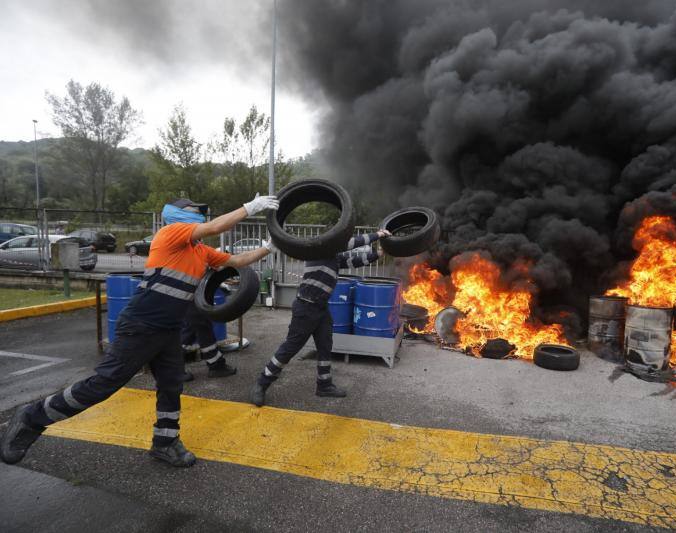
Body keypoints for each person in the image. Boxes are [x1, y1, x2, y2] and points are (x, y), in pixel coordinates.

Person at [1, 194, 279, 468]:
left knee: (171, 385)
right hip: (142, 325)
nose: (201, 215)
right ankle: (32, 417)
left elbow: (237, 262)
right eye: (196, 210)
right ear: (179, 213)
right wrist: (250, 207)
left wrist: (269, 247)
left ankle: (165, 443)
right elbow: (216, 226)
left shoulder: (199, 251)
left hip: (168, 329)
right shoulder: (171, 233)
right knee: (104, 384)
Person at [249, 230, 391, 406]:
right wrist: (378, 234)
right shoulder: (319, 250)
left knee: (325, 345)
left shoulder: (332, 257)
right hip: (306, 307)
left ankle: (324, 385)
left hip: (321, 308)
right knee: (290, 348)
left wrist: (378, 253)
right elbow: (353, 243)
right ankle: (261, 384)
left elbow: (353, 261)